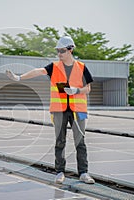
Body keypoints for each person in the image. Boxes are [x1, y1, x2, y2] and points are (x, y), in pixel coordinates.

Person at [6, 35, 95, 184]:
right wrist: (19, 78)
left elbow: (88, 88)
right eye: (58, 51)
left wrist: (76, 91)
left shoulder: (81, 67)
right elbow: (38, 71)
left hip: (78, 109)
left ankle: (84, 173)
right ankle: (60, 172)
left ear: (70, 50)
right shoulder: (54, 67)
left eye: (62, 51)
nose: (59, 54)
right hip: (59, 110)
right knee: (60, 141)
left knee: (80, 142)